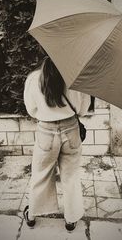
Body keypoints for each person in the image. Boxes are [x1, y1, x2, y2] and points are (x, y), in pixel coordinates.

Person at [23, 57, 90, 232]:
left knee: (40, 174)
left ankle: (31, 216)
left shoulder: (33, 79)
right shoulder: (76, 78)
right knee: (71, 176)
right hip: (71, 131)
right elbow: (83, 110)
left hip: (46, 132)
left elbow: (31, 110)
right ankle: (71, 219)